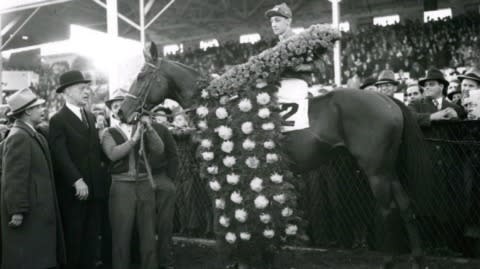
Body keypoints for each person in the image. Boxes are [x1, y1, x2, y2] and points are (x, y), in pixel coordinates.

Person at [48, 70, 108, 269]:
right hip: (74, 193)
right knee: (74, 241)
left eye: (87, 88)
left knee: (91, 241)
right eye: (82, 88)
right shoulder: (58, 120)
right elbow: (60, 155)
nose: (87, 92)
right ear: (67, 92)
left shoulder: (90, 117)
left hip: (94, 190)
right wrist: (76, 180)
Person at [1, 88, 66, 269]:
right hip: (31, 213)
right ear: (28, 111)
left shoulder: (29, 133)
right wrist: (17, 210)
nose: (43, 110)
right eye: (38, 107)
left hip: (37, 210)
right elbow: (14, 177)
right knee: (30, 260)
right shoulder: (19, 137)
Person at [101, 89, 165, 269]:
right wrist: (134, 140)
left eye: (123, 104)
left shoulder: (143, 128)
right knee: (121, 235)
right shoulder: (108, 132)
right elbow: (113, 154)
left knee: (148, 234)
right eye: (115, 106)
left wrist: (149, 128)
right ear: (112, 112)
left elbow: (159, 150)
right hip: (121, 188)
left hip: (144, 184)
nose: (120, 108)